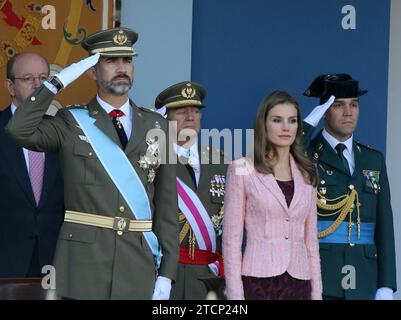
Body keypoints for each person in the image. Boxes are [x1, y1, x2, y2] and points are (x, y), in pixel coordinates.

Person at [6, 27, 179, 299]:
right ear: (91, 71)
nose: (121, 67)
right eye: (111, 60)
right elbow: (19, 130)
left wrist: (167, 275)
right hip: (83, 269)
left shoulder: (158, 126)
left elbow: (167, 211)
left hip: (138, 265)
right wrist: (56, 83)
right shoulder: (71, 121)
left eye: (127, 60)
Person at [302, 74, 397, 300]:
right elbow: (281, 158)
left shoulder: (373, 159)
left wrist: (386, 284)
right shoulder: (306, 154)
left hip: (364, 277)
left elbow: (384, 224)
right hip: (320, 278)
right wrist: (306, 126)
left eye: (354, 105)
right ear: (324, 111)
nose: (348, 112)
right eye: (338, 105)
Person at [222, 90, 322, 300]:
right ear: (263, 124)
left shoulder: (308, 173)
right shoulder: (241, 168)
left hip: (300, 283)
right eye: (277, 120)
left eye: (292, 121)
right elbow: (231, 242)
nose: (286, 127)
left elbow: (311, 242)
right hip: (258, 283)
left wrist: (317, 294)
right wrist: (235, 298)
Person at [155, 81, 227, 300]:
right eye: (181, 111)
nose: (190, 117)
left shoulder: (221, 161)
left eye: (195, 111)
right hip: (166, 275)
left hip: (209, 279)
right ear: (165, 118)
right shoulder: (154, 160)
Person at [0, 53, 64, 278]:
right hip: (6, 259)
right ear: (10, 86)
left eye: (44, 79)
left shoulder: (63, 132)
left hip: (55, 259)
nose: (39, 86)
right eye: (28, 79)